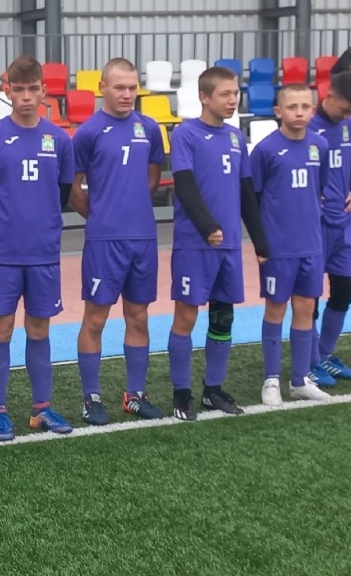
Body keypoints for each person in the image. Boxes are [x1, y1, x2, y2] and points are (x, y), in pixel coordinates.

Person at [0, 55, 74, 441]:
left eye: (33, 89)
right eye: (19, 89)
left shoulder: (59, 140)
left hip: (43, 253)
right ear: (7, 91)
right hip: (2, 255)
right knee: (0, 330)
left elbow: (61, 193)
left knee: (39, 329)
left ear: (45, 91)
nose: (26, 97)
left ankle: (41, 408)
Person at [70, 58, 166, 423]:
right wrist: (98, 215)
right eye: (119, 87)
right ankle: (91, 397)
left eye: (132, 87)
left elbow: (153, 177)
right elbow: (73, 186)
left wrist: (133, 207)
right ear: (102, 89)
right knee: (95, 318)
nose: (127, 94)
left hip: (143, 238)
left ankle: (135, 395)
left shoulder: (150, 128)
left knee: (138, 316)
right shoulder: (89, 132)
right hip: (105, 241)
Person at [164, 65, 252, 420]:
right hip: (195, 244)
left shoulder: (236, 137)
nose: (233, 100)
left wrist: (261, 244)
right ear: (204, 97)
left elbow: (246, 192)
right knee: (186, 316)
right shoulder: (186, 134)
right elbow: (184, 186)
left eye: (236, 94)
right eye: (225, 94)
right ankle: (181, 394)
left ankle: (212, 390)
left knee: (223, 316)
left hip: (229, 246)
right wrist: (206, 225)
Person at [247, 81, 330, 406]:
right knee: (276, 308)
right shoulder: (266, 150)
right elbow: (253, 198)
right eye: (292, 107)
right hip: (278, 248)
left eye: (305, 106)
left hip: (311, 245)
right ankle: (271, 380)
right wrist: (261, 243)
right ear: (278, 111)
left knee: (306, 309)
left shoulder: (320, 146)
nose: (299, 112)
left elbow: (319, 189)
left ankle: (300, 379)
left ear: (313, 110)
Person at [308, 68, 351, 387]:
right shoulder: (306, 126)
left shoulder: (349, 123)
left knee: (344, 290)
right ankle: (309, 361)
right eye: (344, 109)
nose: (347, 116)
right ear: (328, 95)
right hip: (314, 226)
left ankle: (325, 354)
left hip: (343, 223)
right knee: (309, 296)